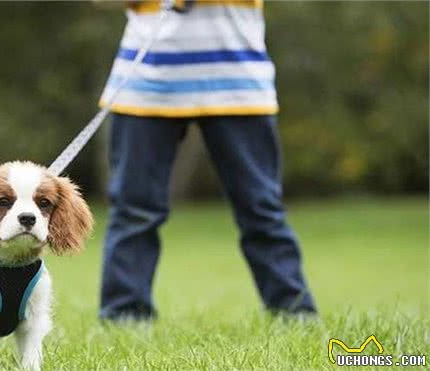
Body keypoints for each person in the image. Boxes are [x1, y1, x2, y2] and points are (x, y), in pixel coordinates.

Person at [98, 0, 317, 321]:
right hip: (144, 84)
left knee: (261, 210)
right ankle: (124, 316)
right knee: (133, 212)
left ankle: (294, 312)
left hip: (239, 85)